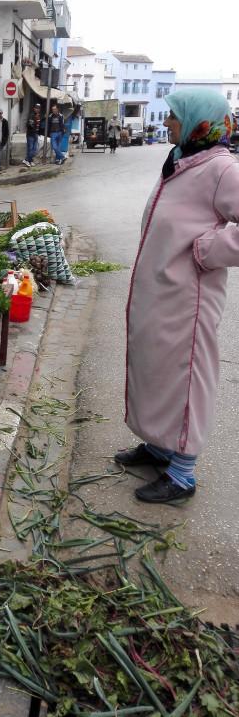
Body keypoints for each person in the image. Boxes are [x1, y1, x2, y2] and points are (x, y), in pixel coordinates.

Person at [115, 88, 239, 503]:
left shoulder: (222, 169)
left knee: (186, 376)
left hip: (190, 297)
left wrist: (212, 250)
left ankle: (183, 472)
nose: (166, 122)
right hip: (160, 290)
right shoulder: (182, 159)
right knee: (156, 367)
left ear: (198, 121)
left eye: (174, 116)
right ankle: (160, 446)